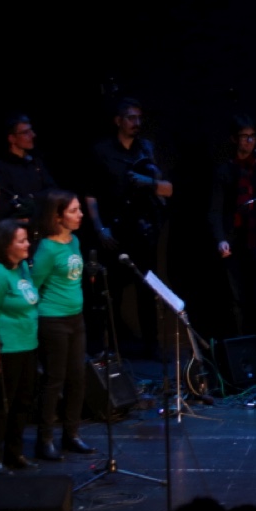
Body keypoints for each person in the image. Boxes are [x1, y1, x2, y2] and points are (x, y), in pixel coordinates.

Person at [88, 97, 172, 358]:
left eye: (139, 118)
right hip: (115, 231)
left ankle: (151, 344)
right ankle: (112, 346)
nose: (137, 122)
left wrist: (148, 182)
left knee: (147, 288)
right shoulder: (102, 151)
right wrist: (100, 227)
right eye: (131, 118)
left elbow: (166, 187)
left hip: (144, 230)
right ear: (118, 121)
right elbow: (91, 195)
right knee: (112, 291)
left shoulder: (146, 149)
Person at [29, 189, 93, 460]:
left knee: (77, 378)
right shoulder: (47, 249)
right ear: (57, 216)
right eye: (73, 211)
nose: (80, 215)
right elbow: (32, 286)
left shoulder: (74, 241)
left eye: (79, 209)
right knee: (54, 380)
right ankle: (44, 439)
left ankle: (72, 434)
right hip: (53, 320)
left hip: (75, 318)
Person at [209, 113, 256, 337]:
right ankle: (242, 346)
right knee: (238, 298)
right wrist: (221, 239)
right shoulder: (225, 171)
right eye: (244, 137)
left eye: (253, 136)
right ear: (235, 139)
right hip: (235, 240)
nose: (250, 141)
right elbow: (215, 210)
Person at [0, 219, 43, 472]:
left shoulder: (23, 268)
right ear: (6, 245)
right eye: (21, 241)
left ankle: (14, 452)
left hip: (28, 345)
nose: (28, 244)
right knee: (2, 405)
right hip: (7, 349)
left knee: (23, 402)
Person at [0, 114, 57, 224]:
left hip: (42, 220)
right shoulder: (1, 168)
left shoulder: (35, 161)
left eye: (31, 131)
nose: (33, 135)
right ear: (12, 138)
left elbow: (52, 188)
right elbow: (4, 204)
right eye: (26, 132)